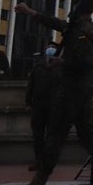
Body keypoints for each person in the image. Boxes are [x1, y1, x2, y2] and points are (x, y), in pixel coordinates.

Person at [6, 0, 93, 185]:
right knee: (87, 135)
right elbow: (57, 24)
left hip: (72, 89)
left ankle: (38, 184)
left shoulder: (82, 30)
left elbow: (85, 62)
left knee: (55, 136)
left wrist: (61, 61)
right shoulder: (80, 27)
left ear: (79, 9)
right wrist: (31, 12)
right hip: (79, 89)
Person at [24, 42, 63, 172]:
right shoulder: (38, 67)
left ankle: (48, 162)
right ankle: (38, 160)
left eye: (53, 48)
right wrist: (28, 102)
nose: (50, 50)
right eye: (49, 48)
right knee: (38, 135)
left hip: (54, 106)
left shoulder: (60, 68)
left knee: (51, 135)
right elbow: (31, 85)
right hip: (38, 105)